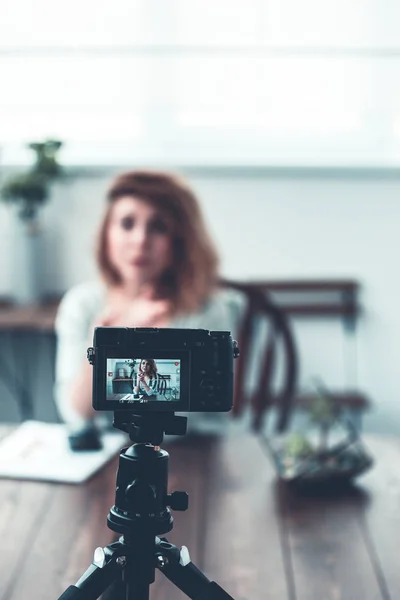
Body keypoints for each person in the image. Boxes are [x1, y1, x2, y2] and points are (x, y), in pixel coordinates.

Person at [54, 170, 245, 434]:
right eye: (127, 223)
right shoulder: (83, 303)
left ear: (180, 240)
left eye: (158, 227)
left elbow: (208, 410)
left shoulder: (210, 309)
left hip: (193, 451)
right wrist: (107, 342)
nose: (140, 240)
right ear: (106, 234)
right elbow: (75, 413)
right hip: (108, 453)